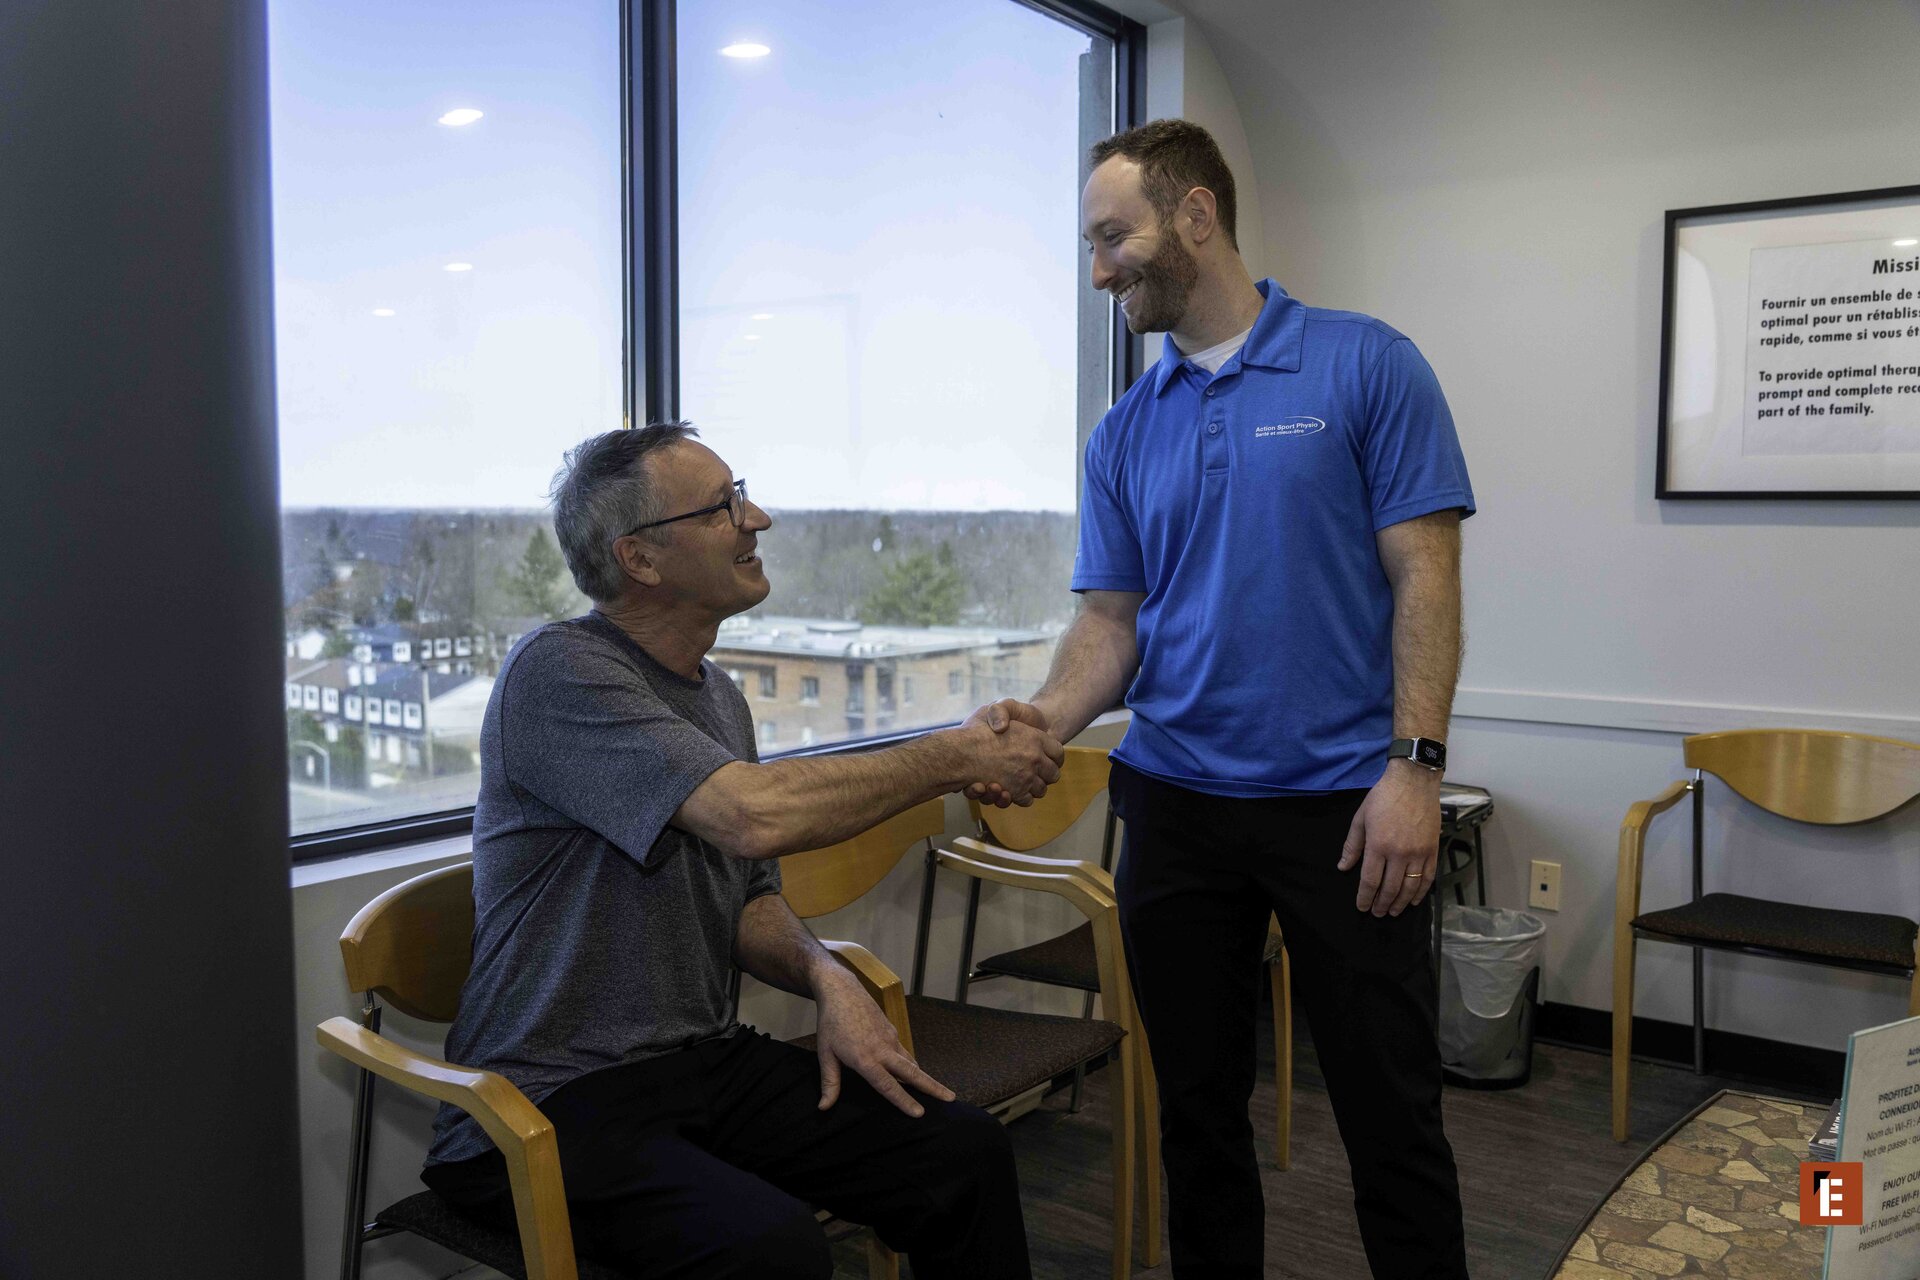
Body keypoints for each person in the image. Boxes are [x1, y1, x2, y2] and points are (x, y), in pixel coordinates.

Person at [422, 423, 1061, 1279]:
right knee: (771, 1249)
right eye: (722, 506)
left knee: (961, 1154)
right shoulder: (557, 672)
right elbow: (750, 818)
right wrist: (959, 756)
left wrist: (828, 976)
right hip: (542, 1099)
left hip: (698, 1062)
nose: (755, 517)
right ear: (640, 559)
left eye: (742, 493)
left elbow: (750, 900)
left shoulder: (719, 697)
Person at [1021, 119, 1476, 1278]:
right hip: (1173, 808)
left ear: (1196, 215)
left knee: (1392, 1119)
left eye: (1111, 236)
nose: (1097, 271)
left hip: (1346, 809)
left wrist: (1415, 768)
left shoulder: (1367, 363)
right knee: (1196, 1116)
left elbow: (1426, 570)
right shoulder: (1124, 429)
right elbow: (1109, 622)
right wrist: (1043, 722)